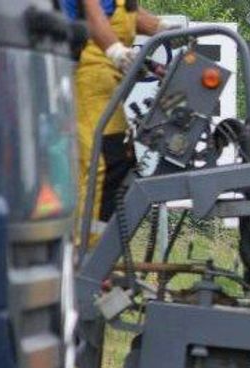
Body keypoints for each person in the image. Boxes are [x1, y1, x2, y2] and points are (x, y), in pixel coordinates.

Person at [61, 1, 169, 243]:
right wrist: (116, 51)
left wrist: (163, 29)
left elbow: (124, 11)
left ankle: (99, 255)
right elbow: (92, 12)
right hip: (87, 77)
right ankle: (83, 256)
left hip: (105, 80)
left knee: (120, 162)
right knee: (101, 163)